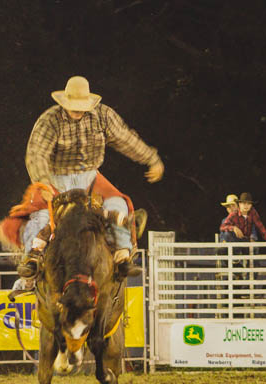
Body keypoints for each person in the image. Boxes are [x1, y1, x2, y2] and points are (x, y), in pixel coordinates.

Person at [15, 75, 164, 278]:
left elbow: (125, 138)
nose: (77, 110)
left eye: (81, 105)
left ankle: (122, 256)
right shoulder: (50, 120)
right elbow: (36, 153)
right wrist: (43, 183)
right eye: (74, 105)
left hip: (90, 177)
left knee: (117, 204)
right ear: (64, 102)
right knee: (42, 214)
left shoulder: (101, 116)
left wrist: (151, 158)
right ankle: (32, 258)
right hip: (57, 178)